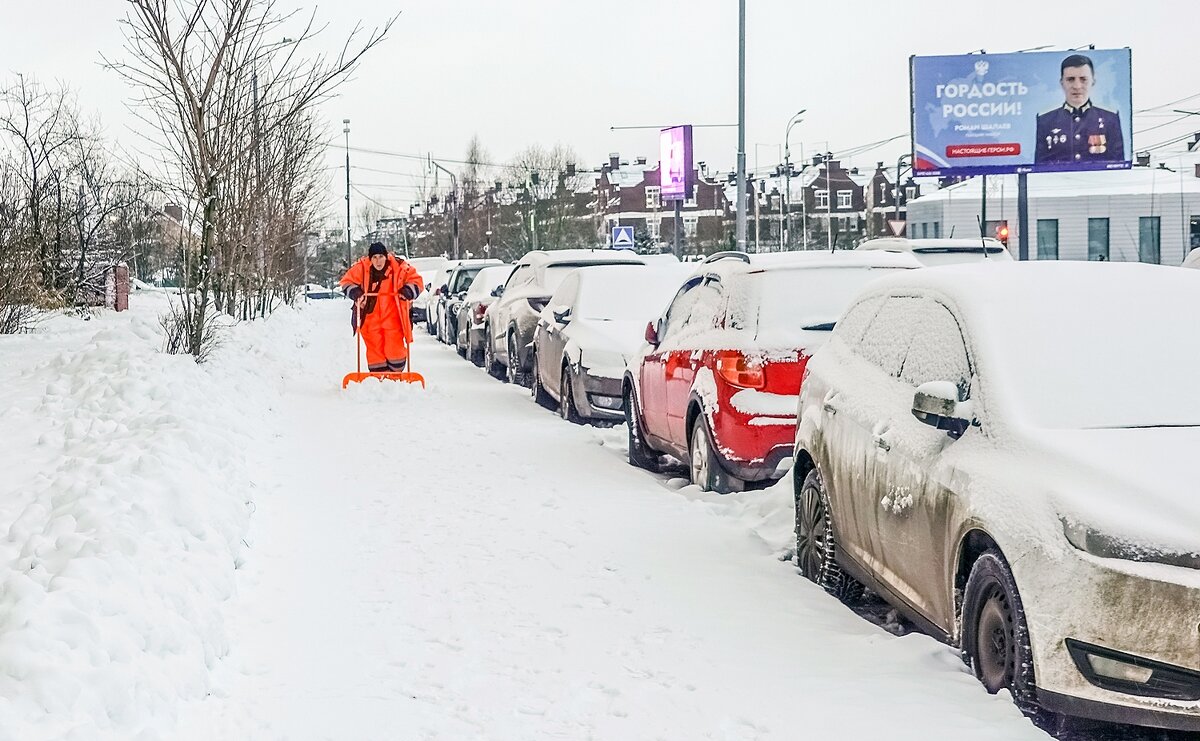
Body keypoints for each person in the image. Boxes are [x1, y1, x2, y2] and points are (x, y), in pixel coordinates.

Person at [338, 242, 423, 373]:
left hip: (393, 316)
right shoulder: (361, 268)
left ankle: (396, 377)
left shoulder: (399, 267)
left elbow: (416, 281)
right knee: (374, 350)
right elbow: (346, 282)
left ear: (386, 256)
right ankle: (378, 380)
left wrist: (408, 291)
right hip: (370, 318)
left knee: (394, 348)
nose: (378, 261)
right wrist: (356, 293)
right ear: (370, 259)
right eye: (374, 257)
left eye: (381, 257)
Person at [1034, 54, 1124, 165]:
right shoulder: (1046, 120)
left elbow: (1118, 165)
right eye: (1070, 79)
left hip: (1099, 181)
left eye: (1083, 79)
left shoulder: (1110, 118)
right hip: (1058, 181)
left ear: (1093, 82)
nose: (1077, 86)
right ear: (1062, 83)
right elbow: (1039, 168)